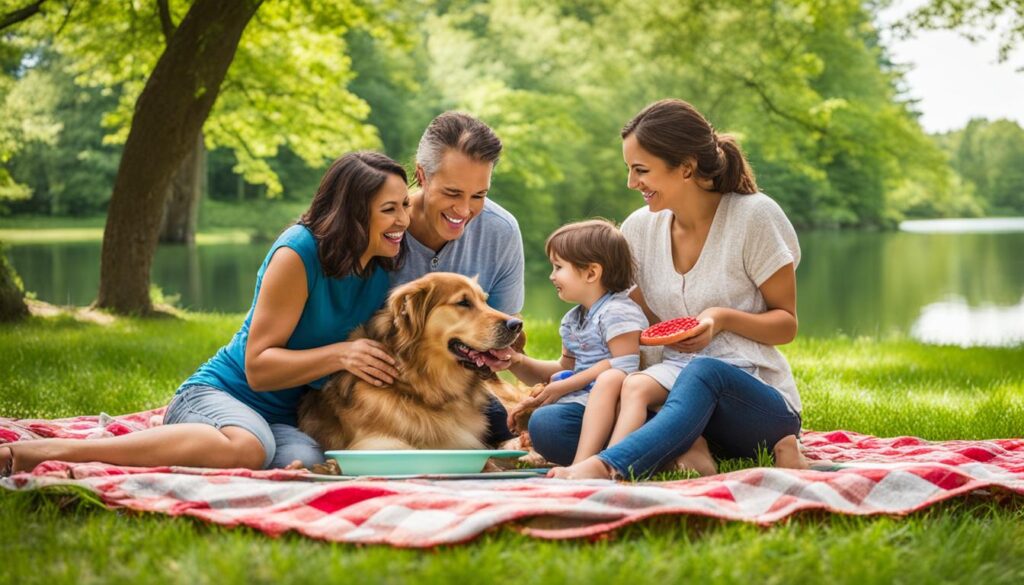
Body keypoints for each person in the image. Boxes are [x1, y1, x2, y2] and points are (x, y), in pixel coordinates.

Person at [1, 152, 411, 475]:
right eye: (390, 209)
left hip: (285, 419)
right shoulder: (298, 253)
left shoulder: (380, 265)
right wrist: (341, 355)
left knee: (304, 464)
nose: (403, 220)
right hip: (221, 394)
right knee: (249, 448)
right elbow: (258, 368)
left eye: (406, 205)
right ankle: (53, 452)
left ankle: (198, 446)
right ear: (354, 212)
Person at [526, 98, 809, 480]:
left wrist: (720, 319)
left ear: (687, 167)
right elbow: (633, 317)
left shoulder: (754, 217)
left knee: (704, 373)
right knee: (549, 425)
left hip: (749, 402)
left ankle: (608, 465)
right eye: (629, 170)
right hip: (662, 393)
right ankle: (685, 446)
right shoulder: (639, 230)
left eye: (641, 170)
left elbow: (786, 324)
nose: (631, 183)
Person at [392, 111, 526, 444]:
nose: (464, 211)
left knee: (522, 421)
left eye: (478, 195)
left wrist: (500, 349)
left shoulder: (501, 231)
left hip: (460, 386)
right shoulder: (385, 225)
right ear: (422, 176)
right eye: (452, 193)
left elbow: (508, 330)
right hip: (386, 384)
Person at [503, 220, 648, 470]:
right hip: (582, 403)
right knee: (543, 422)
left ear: (591, 273)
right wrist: (517, 361)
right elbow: (565, 366)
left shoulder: (618, 311)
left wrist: (565, 385)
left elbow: (625, 363)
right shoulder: (572, 320)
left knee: (548, 425)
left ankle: (596, 459)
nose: (551, 276)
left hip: (614, 407)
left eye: (558, 267)